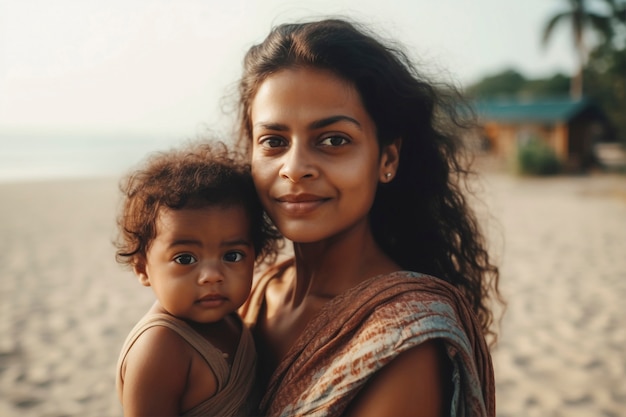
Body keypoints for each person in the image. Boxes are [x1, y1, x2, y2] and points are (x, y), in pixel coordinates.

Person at [235, 18, 503, 417]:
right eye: (273, 142)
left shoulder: (401, 341)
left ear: (387, 158)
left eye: (334, 140)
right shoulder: (258, 294)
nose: (295, 168)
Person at [114, 142, 280, 416]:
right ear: (143, 269)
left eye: (233, 255)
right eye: (185, 259)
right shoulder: (160, 348)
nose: (212, 275)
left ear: (256, 256)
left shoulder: (231, 319)